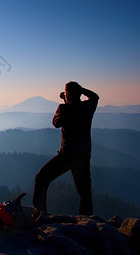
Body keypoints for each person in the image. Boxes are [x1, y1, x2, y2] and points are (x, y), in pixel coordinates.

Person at [32, 81, 99, 218]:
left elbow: (56, 123)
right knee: (84, 191)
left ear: (67, 93)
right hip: (83, 156)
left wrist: (65, 101)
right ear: (80, 93)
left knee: (41, 178)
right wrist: (78, 91)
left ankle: (39, 212)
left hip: (67, 156)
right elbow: (95, 97)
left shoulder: (64, 109)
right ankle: (86, 220)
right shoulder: (87, 107)